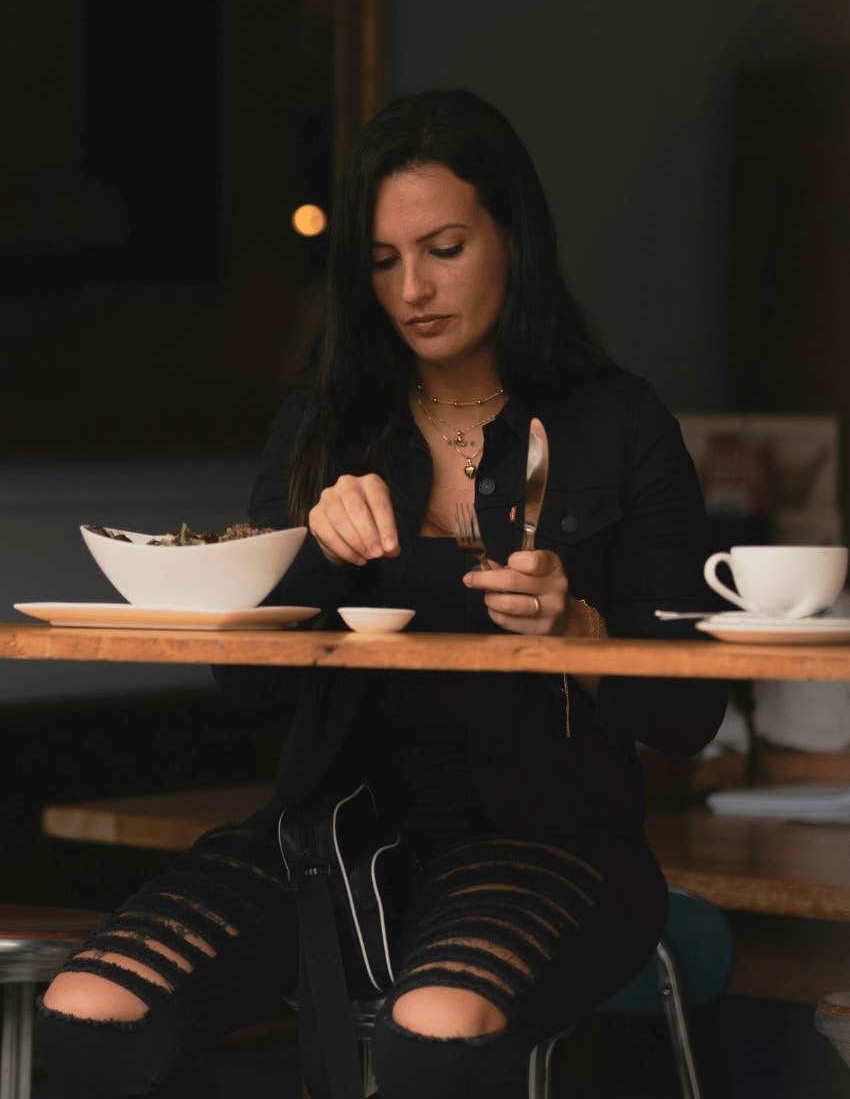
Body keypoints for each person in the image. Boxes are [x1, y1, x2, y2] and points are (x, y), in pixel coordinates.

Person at [37, 88, 726, 1099]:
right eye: (382, 259)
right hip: (324, 840)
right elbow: (245, 684)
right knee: (89, 1015)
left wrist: (577, 629)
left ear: (511, 238)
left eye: (443, 247)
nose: (413, 288)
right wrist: (313, 548)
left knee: (435, 1027)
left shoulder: (615, 423)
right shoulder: (323, 424)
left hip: (551, 843)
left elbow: (690, 713)